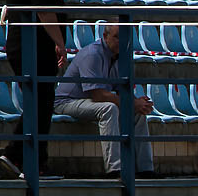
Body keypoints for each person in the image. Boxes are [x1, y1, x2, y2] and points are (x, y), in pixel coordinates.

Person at [1, 0, 65, 176]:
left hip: (25, 44)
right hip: (33, 45)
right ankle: (19, 155)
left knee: (39, 102)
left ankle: (34, 161)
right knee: (40, 102)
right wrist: (60, 44)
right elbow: (45, 12)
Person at [53, 18, 153, 176]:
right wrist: (132, 103)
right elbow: (98, 95)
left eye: (126, 37)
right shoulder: (92, 54)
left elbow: (123, 90)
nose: (122, 41)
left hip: (90, 102)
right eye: (117, 37)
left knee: (137, 114)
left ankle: (146, 169)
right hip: (66, 102)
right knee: (109, 108)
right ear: (105, 36)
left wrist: (138, 103)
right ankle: (115, 169)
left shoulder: (122, 57)